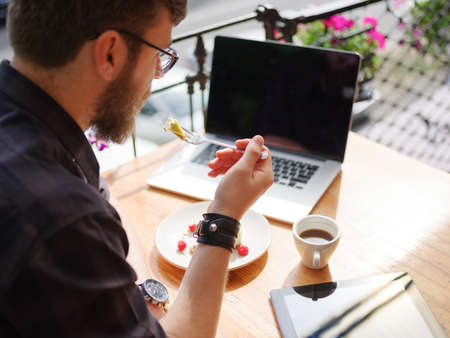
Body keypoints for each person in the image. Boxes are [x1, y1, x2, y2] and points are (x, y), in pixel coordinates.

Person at [0, 0, 273, 337]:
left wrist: (140, 295)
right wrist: (224, 215)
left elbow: (100, 198)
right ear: (111, 53)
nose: (157, 74)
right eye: (159, 54)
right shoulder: (60, 216)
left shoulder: (35, 132)